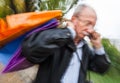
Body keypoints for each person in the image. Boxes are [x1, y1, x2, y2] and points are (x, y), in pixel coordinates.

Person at [21, 4, 110, 83]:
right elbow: (30, 50)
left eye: (93, 26)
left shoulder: (85, 49)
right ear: (74, 20)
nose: (91, 30)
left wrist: (98, 46)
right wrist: (68, 33)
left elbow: (100, 68)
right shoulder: (57, 37)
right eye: (87, 23)